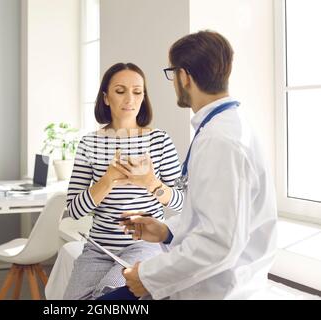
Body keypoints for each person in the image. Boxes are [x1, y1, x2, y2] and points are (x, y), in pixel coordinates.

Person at [119, 31, 278, 300]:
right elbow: (215, 217)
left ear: (184, 76)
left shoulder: (220, 140)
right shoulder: (225, 128)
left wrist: (147, 276)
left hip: (221, 290)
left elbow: (217, 243)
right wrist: (167, 231)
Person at [63, 62, 185, 300]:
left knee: (109, 295)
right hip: (98, 248)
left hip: (144, 246)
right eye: (120, 91)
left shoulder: (159, 140)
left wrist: (152, 183)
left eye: (137, 92)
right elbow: (74, 211)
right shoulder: (90, 143)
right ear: (106, 98)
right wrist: (107, 180)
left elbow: (183, 203)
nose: (130, 98)